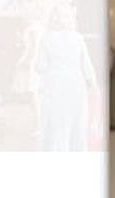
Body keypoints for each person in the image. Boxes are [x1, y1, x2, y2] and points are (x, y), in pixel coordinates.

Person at [32, 1, 97, 151]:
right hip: (76, 85)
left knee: (55, 128)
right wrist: (93, 86)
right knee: (77, 127)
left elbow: (40, 66)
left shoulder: (46, 38)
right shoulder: (78, 38)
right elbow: (87, 66)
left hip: (54, 86)